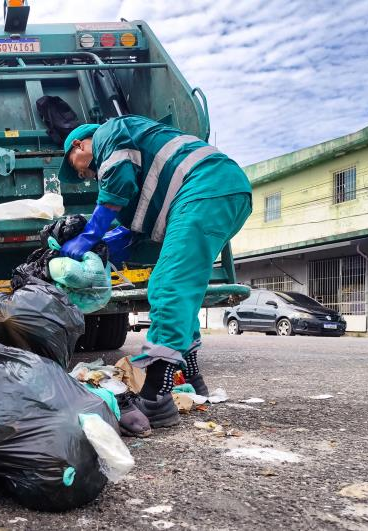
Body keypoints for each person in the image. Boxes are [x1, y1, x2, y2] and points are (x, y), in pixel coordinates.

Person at [57, 115, 252, 428]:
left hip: (206, 186)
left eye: (75, 164)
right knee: (181, 288)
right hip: (219, 191)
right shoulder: (137, 168)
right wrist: (104, 246)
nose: (81, 173)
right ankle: (190, 374)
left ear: (79, 144)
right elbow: (136, 231)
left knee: (168, 285)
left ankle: (155, 396)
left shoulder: (110, 132)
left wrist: (90, 234)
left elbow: (117, 181)